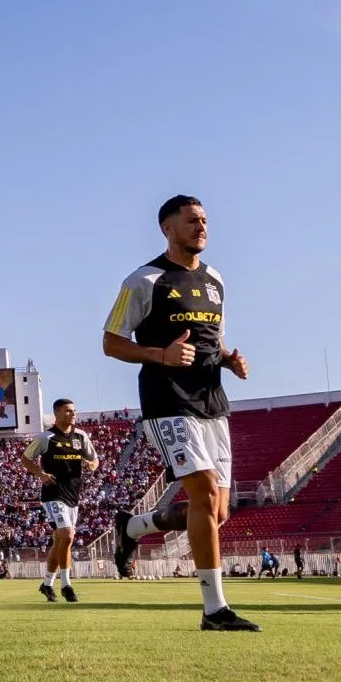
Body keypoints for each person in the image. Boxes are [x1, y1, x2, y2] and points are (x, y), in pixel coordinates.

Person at [104, 195, 259, 631]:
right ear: (167, 228)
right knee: (205, 496)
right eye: (192, 220)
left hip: (212, 402)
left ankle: (133, 528)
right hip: (167, 401)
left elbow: (214, 339)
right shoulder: (143, 280)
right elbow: (111, 342)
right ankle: (215, 611)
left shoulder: (216, 281)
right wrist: (161, 355)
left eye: (205, 220)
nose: (202, 227)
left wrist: (230, 359)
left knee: (216, 511)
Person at [21, 398, 98, 603]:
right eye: (67, 411)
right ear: (56, 414)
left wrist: (92, 464)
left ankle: (47, 584)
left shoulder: (81, 436)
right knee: (68, 535)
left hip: (73, 494)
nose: (72, 414)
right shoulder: (46, 438)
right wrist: (41, 474)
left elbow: (95, 459)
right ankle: (66, 585)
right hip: (53, 493)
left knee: (60, 540)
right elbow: (25, 458)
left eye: (74, 411)